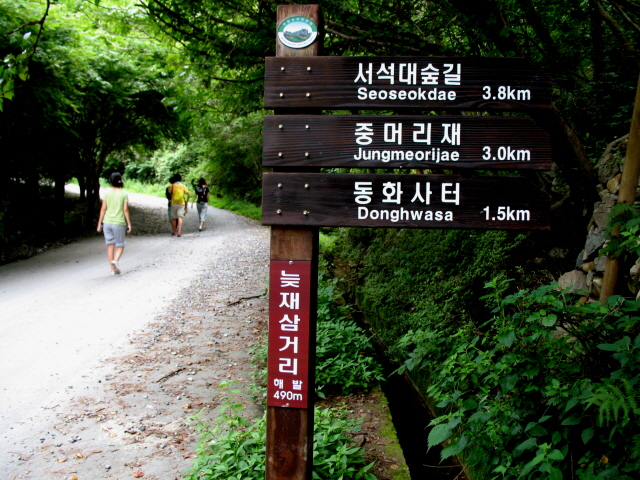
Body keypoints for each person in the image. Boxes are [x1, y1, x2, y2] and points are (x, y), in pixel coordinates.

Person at [96, 172, 131, 275]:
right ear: (120, 180)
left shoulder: (106, 192)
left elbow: (103, 208)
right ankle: (115, 261)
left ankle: (112, 269)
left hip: (107, 222)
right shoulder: (124, 193)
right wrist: (129, 223)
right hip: (119, 223)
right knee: (120, 245)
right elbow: (125, 210)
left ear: (110, 181)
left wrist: (99, 223)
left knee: (110, 246)